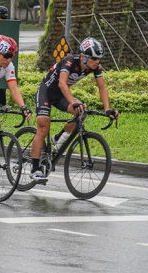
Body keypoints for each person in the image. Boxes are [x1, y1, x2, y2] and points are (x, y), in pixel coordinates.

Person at [29, 37, 119, 181]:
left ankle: (59, 138)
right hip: (46, 91)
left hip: (60, 96)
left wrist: (108, 109)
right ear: (84, 56)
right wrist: (73, 102)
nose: (97, 61)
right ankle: (34, 169)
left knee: (82, 111)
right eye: (94, 58)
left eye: (99, 59)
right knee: (43, 126)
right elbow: (62, 84)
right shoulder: (70, 61)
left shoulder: (95, 67)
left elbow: (102, 87)